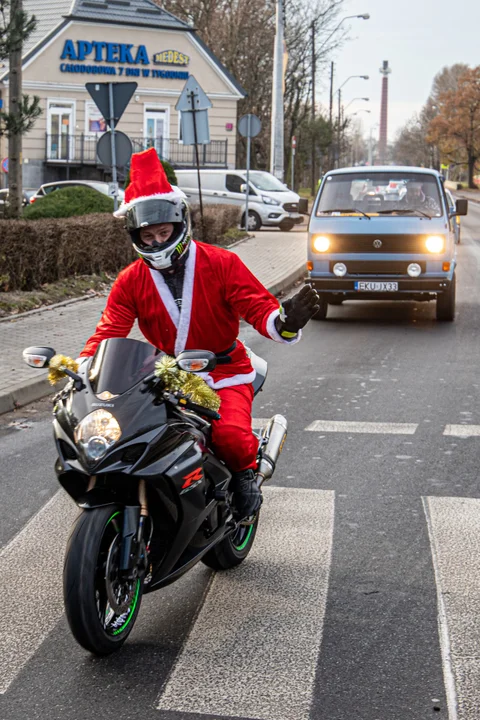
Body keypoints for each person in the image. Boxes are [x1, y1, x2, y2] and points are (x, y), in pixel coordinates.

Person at [79, 148, 319, 519]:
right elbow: (110, 329)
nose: (157, 241)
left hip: (223, 372)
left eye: (164, 232)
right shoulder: (130, 281)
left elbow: (255, 304)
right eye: (149, 235)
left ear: (180, 227)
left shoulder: (221, 263)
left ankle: (244, 478)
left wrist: (284, 321)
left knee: (232, 439)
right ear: (136, 235)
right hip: (165, 375)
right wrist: (84, 368)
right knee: (128, 437)